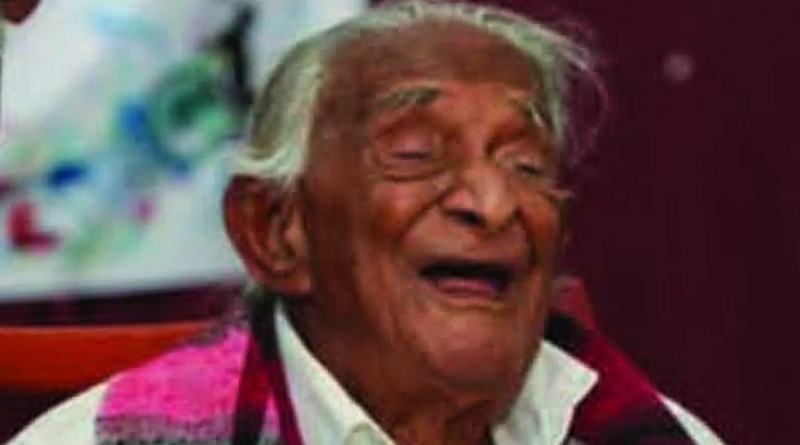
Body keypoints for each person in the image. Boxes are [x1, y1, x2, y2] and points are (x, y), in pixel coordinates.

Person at [9, 2, 727, 444]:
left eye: (526, 165)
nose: (493, 202)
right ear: (274, 229)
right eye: (415, 155)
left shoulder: (649, 433)